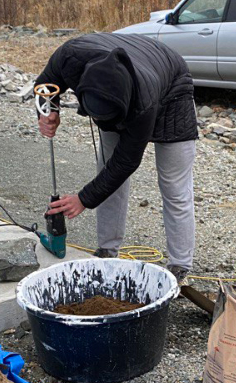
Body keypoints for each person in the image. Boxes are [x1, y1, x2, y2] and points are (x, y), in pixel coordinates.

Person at [34, 32, 197, 282]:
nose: (103, 125)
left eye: (108, 120)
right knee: (107, 175)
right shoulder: (70, 58)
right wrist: (48, 112)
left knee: (174, 186)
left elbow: (127, 161)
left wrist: (84, 199)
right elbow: (44, 84)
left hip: (172, 86)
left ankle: (180, 264)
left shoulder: (144, 100)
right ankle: (107, 250)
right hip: (133, 74)